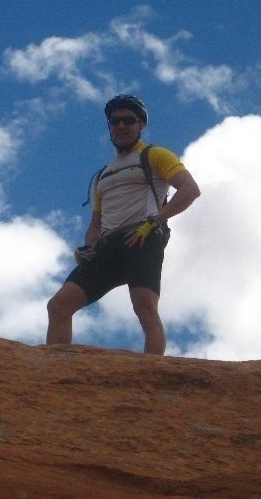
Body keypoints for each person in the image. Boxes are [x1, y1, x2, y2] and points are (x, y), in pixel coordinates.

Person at [46, 94, 200, 355]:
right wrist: (88, 247)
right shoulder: (102, 176)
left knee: (144, 307)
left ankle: (152, 375)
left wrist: (158, 219)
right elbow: (96, 223)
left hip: (142, 237)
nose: (121, 126)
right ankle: (54, 372)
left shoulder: (155, 155)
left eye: (129, 120)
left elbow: (190, 189)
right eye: (115, 121)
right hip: (107, 246)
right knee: (59, 305)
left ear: (140, 125)